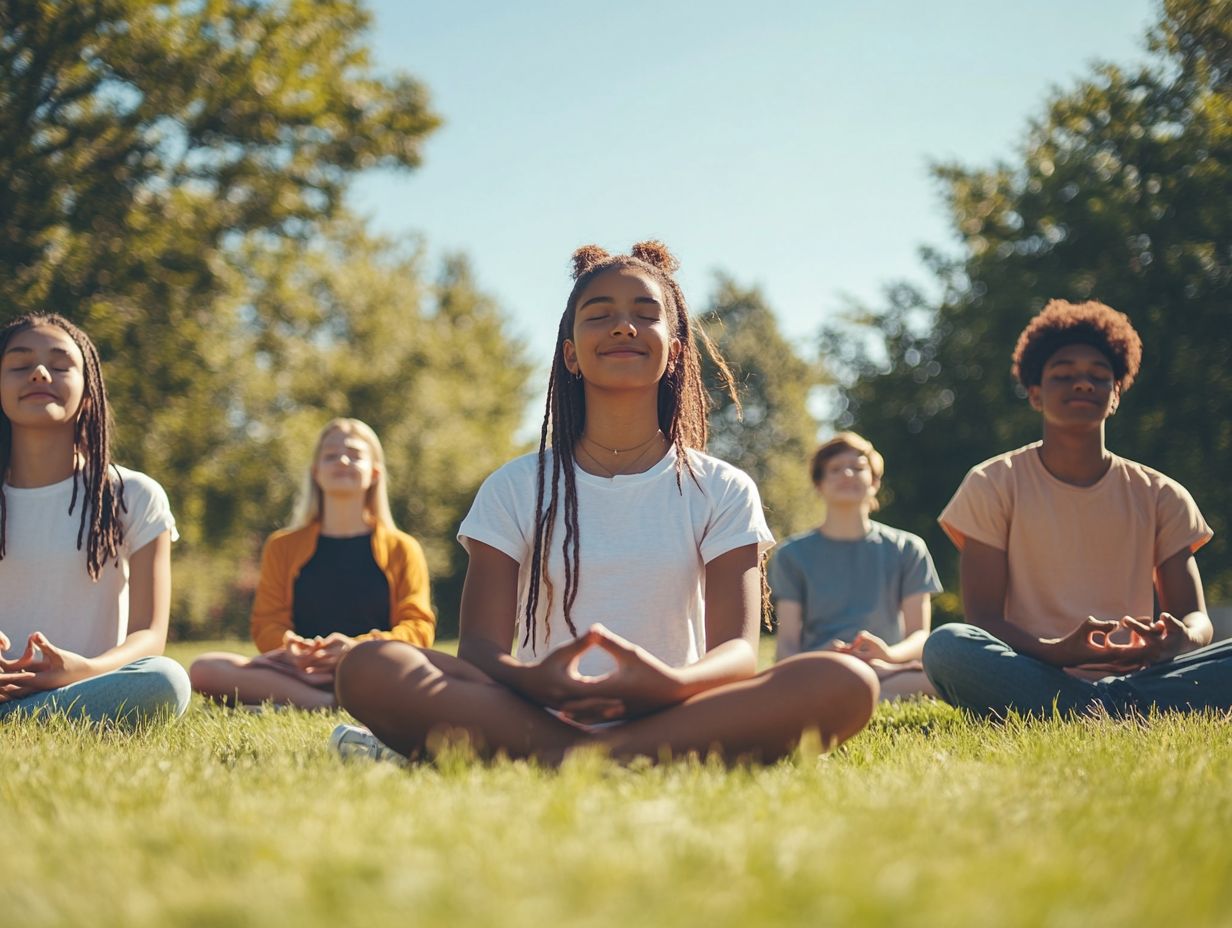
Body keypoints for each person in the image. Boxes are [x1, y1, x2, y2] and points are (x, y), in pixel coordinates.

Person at [332, 241, 878, 765]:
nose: (624, 326)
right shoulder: (514, 486)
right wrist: (533, 680)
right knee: (371, 665)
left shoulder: (724, 488)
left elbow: (737, 654)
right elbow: (478, 649)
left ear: (674, 352)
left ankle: (565, 760)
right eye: (600, 315)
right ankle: (596, 755)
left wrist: (670, 684)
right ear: (570, 354)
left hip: (677, 711)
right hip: (533, 710)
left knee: (846, 681)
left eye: (645, 313)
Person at [923, 299, 1232, 718]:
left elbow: (1194, 616)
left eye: (1098, 376)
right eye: (1063, 375)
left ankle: (1091, 709)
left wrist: (1181, 640)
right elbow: (982, 619)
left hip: (1140, 676)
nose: (1082, 384)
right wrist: (1054, 652)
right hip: (1034, 668)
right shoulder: (991, 483)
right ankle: (1121, 711)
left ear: (1116, 394)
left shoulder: (1161, 493)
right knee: (947, 646)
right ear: (1035, 394)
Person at [0, 313, 190, 725]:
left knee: (166, 679)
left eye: (59, 364)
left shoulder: (134, 496)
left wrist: (80, 669)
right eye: (19, 364)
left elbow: (149, 637)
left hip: (85, 688)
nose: (37, 373)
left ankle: (20, 722)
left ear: (88, 390)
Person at [190, 418, 435, 709]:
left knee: (428, 676)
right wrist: (291, 648)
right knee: (205, 669)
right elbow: (267, 622)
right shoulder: (282, 546)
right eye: (330, 455)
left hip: (373, 670)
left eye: (354, 454)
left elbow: (418, 627)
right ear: (316, 473)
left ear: (374, 473)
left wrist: (357, 649)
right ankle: (328, 702)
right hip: (301, 674)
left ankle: (311, 699)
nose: (342, 460)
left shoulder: (403, 548)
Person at [771, 432, 942, 700]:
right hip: (821, 670)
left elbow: (920, 636)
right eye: (835, 469)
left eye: (858, 468)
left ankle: (856, 691)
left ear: (874, 481)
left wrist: (888, 654)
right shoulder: (791, 555)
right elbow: (786, 650)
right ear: (819, 484)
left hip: (889, 669)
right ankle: (862, 690)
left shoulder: (908, 548)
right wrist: (819, 658)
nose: (847, 474)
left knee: (941, 679)